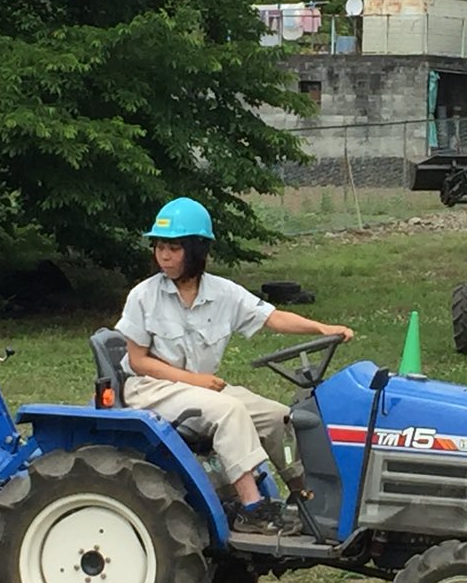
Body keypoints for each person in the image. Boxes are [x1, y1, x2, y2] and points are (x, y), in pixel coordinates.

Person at [117, 197, 353, 534]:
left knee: (276, 416)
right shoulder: (144, 296)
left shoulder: (223, 292)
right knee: (228, 410)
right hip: (151, 388)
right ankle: (252, 508)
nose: (164, 256)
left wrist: (322, 328)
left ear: (196, 250)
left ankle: (305, 495)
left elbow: (273, 317)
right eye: (159, 247)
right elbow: (139, 362)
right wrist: (194, 380)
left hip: (198, 387)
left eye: (173, 248)